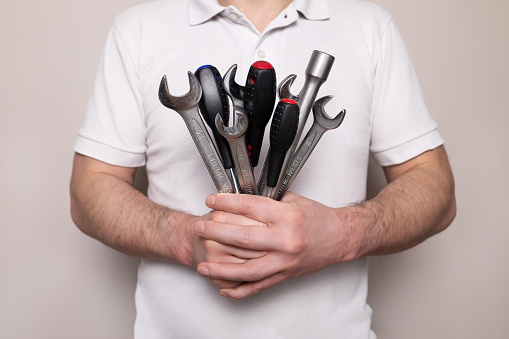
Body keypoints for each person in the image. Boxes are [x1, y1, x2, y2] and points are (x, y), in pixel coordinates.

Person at [70, 0, 456, 337]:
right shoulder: (138, 28)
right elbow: (90, 190)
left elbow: (435, 188)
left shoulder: (371, 27)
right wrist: (187, 238)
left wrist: (341, 234)